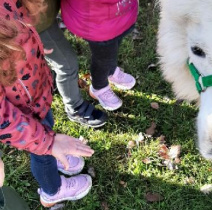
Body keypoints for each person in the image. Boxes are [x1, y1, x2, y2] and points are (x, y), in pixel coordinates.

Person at [0, 0, 94, 207]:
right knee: (41, 153)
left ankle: (56, 156)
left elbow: (18, 27)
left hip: (36, 95)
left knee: (48, 126)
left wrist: (35, 48)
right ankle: (53, 190)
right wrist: (47, 143)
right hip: (24, 115)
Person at [36, 0, 108, 128]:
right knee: (67, 65)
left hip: (44, 13)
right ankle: (75, 107)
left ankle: (50, 79)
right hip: (35, 22)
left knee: (52, 59)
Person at [61, 0, 139, 111]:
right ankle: (99, 86)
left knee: (115, 44)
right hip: (97, 19)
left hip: (119, 12)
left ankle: (110, 71)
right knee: (103, 57)